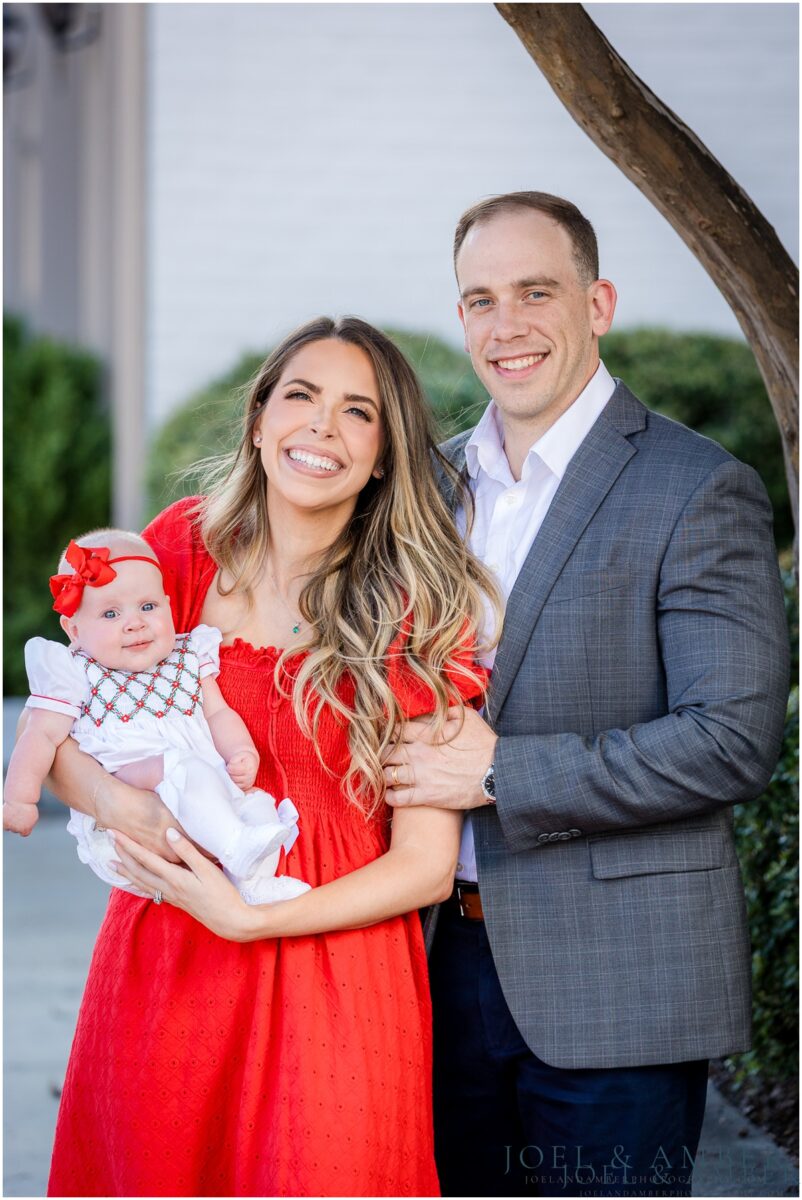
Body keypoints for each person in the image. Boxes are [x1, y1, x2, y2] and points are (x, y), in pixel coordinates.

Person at [382, 192, 790, 1198]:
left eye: (535, 291)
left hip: (619, 982)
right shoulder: (424, 492)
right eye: (480, 299)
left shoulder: (695, 488)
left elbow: (732, 739)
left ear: (597, 302)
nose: (505, 325)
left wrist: (503, 771)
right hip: (426, 969)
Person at [40, 316, 497, 1198]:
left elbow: (426, 867)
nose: (322, 426)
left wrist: (252, 919)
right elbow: (61, 727)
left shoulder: (415, 603)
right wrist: (127, 808)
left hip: (337, 972)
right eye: (302, 395)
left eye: (357, 412)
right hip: (166, 958)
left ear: (383, 457)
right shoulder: (173, 552)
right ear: (259, 419)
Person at [3, 531, 308, 904]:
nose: (134, 623)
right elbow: (40, 735)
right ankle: (235, 846)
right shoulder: (76, 671)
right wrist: (19, 799)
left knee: (258, 804)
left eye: (147, 607)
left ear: (167, 605)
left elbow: (217, 712)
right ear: (74, 630)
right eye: (111, 613)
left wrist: (241, 752)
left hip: (202, 789)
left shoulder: (188, 656)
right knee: (186, 769)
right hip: (132, 783)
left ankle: (254, 882)